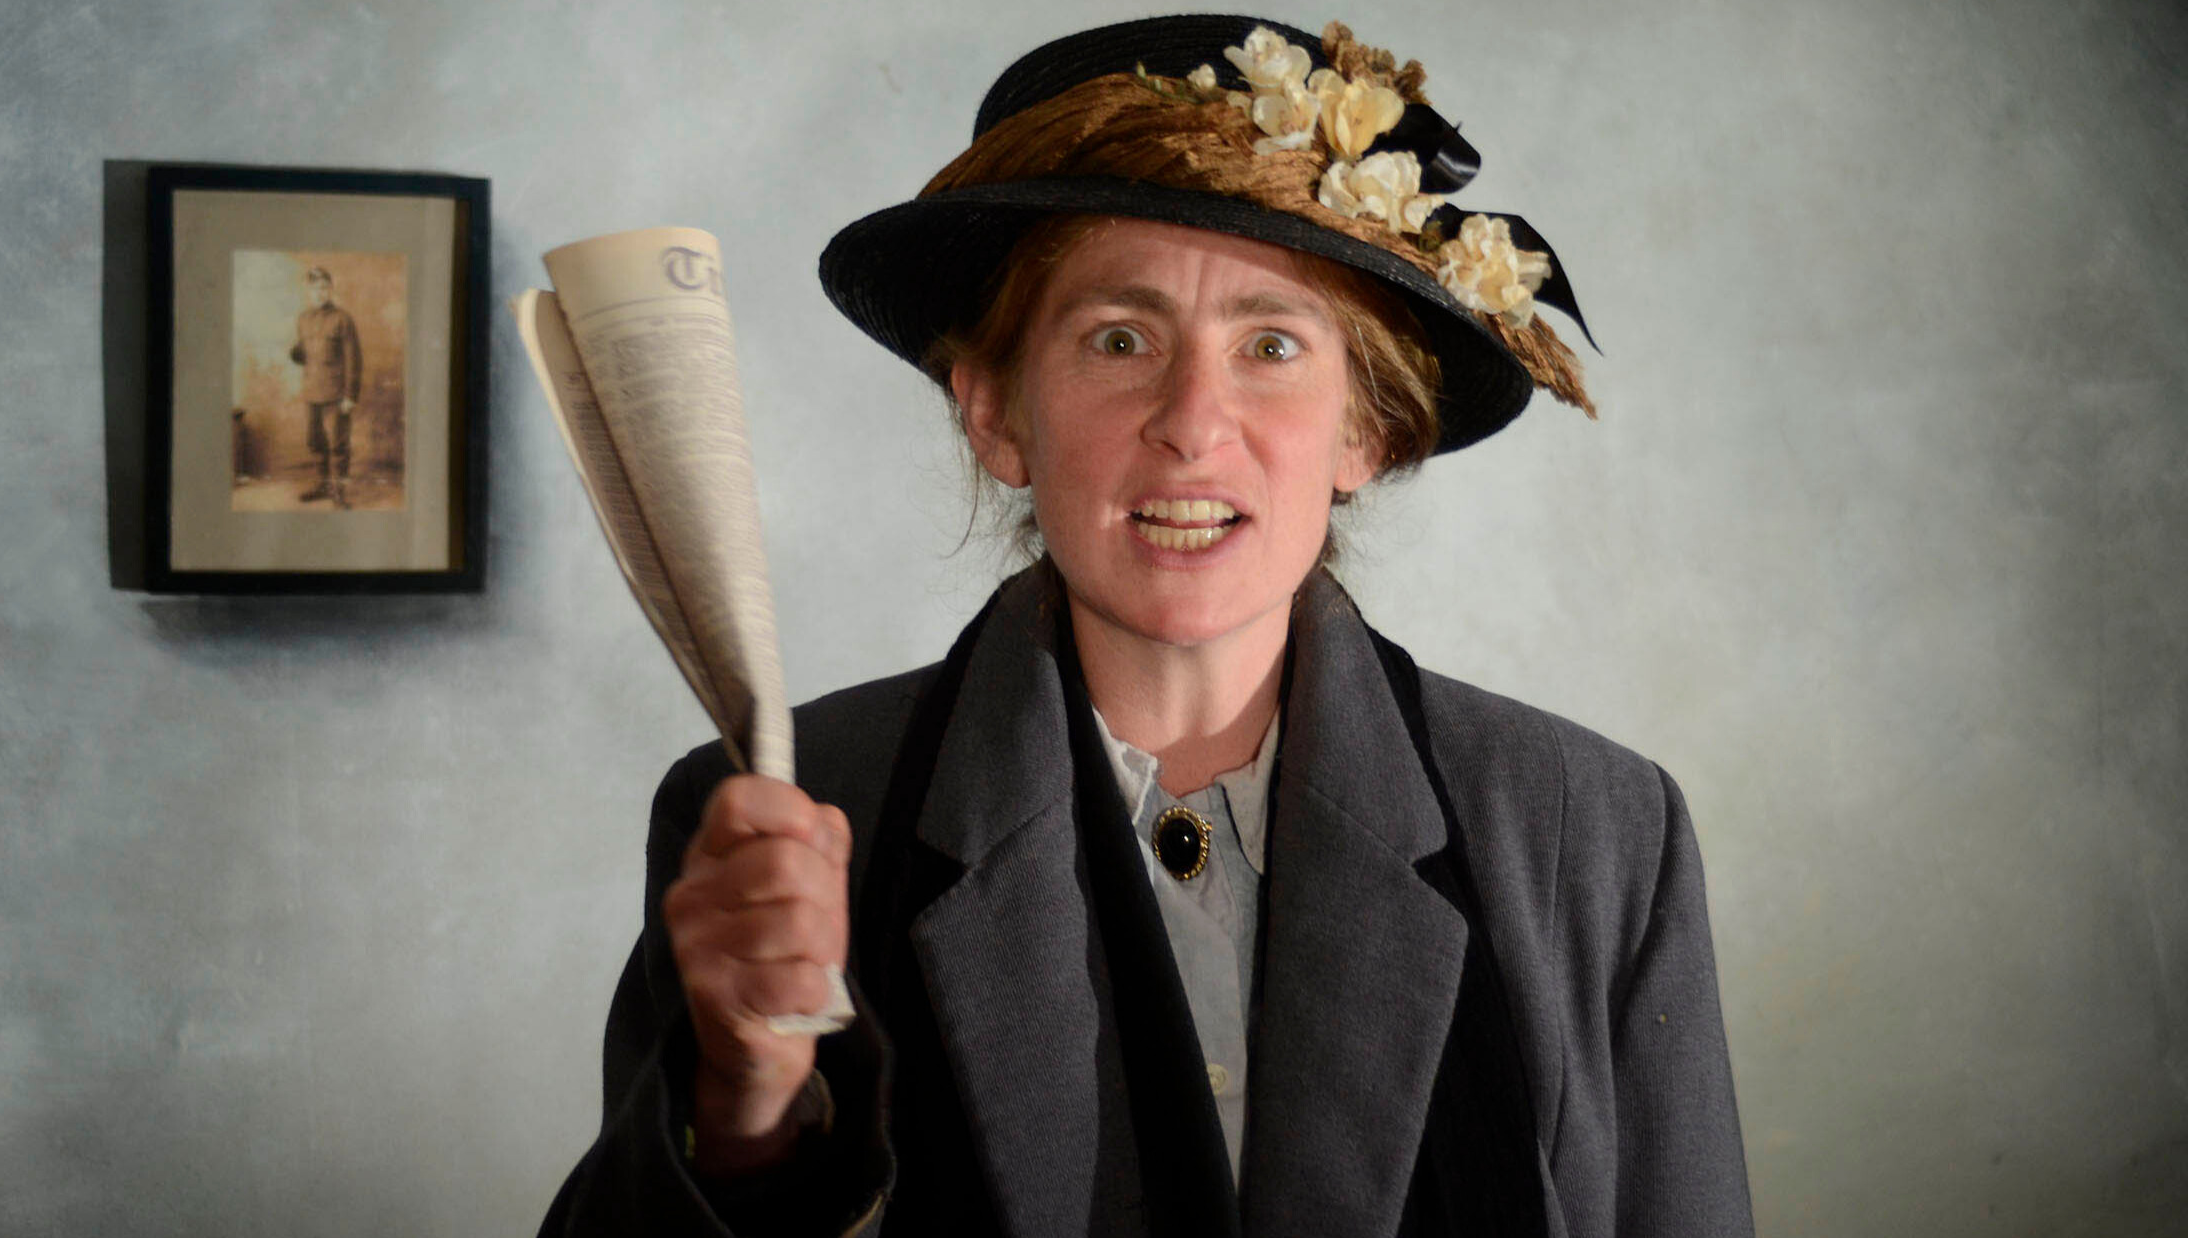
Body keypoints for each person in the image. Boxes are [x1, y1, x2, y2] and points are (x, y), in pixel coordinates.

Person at [540, 15, 1753, 1237]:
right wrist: (746, 1115)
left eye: (1270, 345)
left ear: (1366, 431)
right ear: (996, 412)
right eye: (1119, 339)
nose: (1191, 420)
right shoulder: (779, 811)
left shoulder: (1595, 833)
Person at [289, 265, 362, 507]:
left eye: (324, 287)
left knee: (339, 444)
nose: (320, 293)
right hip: (311, 391)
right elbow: (305, 354)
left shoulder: (343, 319)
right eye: (315, 288)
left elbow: (354, 359)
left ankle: (338, 492)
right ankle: (322, 485)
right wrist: (296, 354)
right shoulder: (303, 319)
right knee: (315, 441)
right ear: (308, 291)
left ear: (330, 289)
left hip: (336, 393)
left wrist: (350, 395)